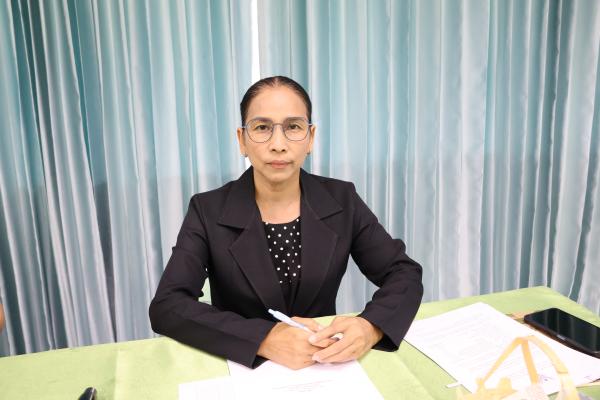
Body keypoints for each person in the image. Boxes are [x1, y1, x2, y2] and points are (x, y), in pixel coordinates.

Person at [149, 76, 423, 370]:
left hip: (325, 365)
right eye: (262, 128)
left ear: (311, 137)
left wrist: (370, 326)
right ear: (242, 140)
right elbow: (168, 305)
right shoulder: (207, 210)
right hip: (245, 367)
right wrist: (264, 338)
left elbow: (403, 272)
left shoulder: (342, 199)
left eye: (293, 127)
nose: (278, 145)